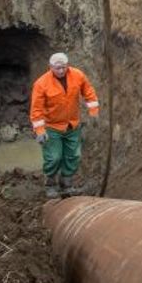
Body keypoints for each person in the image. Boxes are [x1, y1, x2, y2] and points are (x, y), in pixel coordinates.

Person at [29, 52, 100, 198]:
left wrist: (93, 111)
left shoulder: (77, 75)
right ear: (50, 67)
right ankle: (50, 183)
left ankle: (66, 183)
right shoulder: (41, 84)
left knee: (74, 155)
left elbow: (88, 91)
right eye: (57, 68)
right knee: (54, 157)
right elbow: (36, 109)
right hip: (52, 127)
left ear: (67, 65)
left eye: (63, 67)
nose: (61, 71)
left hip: (72, 125)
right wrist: (40, 130)